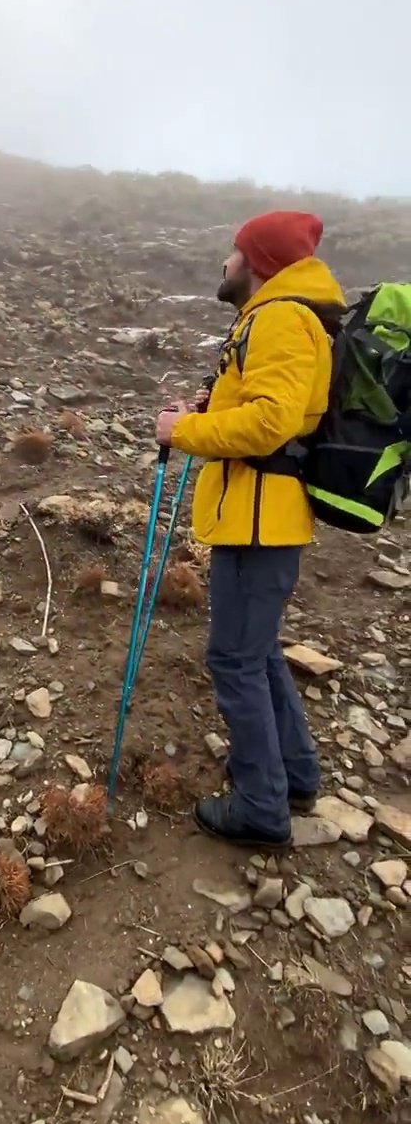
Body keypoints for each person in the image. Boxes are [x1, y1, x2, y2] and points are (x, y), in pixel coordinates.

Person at [155, 211, 346, 850]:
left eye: (233, 252)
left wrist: (181, 432)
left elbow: (271, 422)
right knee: (256, 651)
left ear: (258, 261)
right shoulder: (275, 318)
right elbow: (264, 408)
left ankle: (262, 809)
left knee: (233, 659)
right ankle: (292, 778)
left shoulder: (282, 318)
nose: (225, 263)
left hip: (260, 520)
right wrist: (211, 412)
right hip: (258, 514)